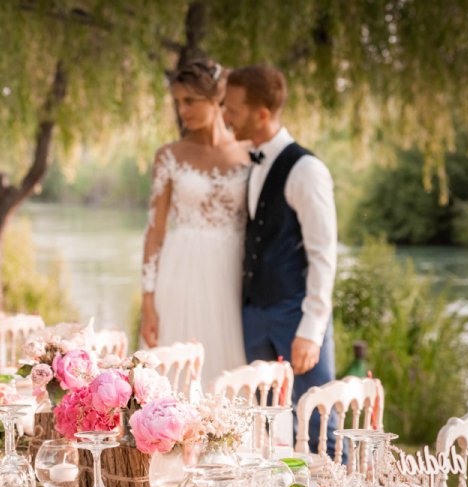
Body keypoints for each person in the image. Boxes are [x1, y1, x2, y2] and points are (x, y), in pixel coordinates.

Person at [222, 64, 340, 458]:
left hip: (295, 314)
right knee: (267, 424)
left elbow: (323, 254)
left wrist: (311, 329)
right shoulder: (252, 164)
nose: (225, 115)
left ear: (262, 113)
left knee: (319, 424)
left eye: (233, 109)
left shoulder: (306, 169)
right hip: (255, 314)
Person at [141, 58, 250, 387]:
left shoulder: (251, 153)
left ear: (217, 99)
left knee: (234, 368)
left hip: (235, 272)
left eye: (190, 101)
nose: (182, 110)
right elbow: (155, 231)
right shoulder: (170, 155)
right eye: (177, 102)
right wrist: (148, 299)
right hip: (182, 273)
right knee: (178, 369)